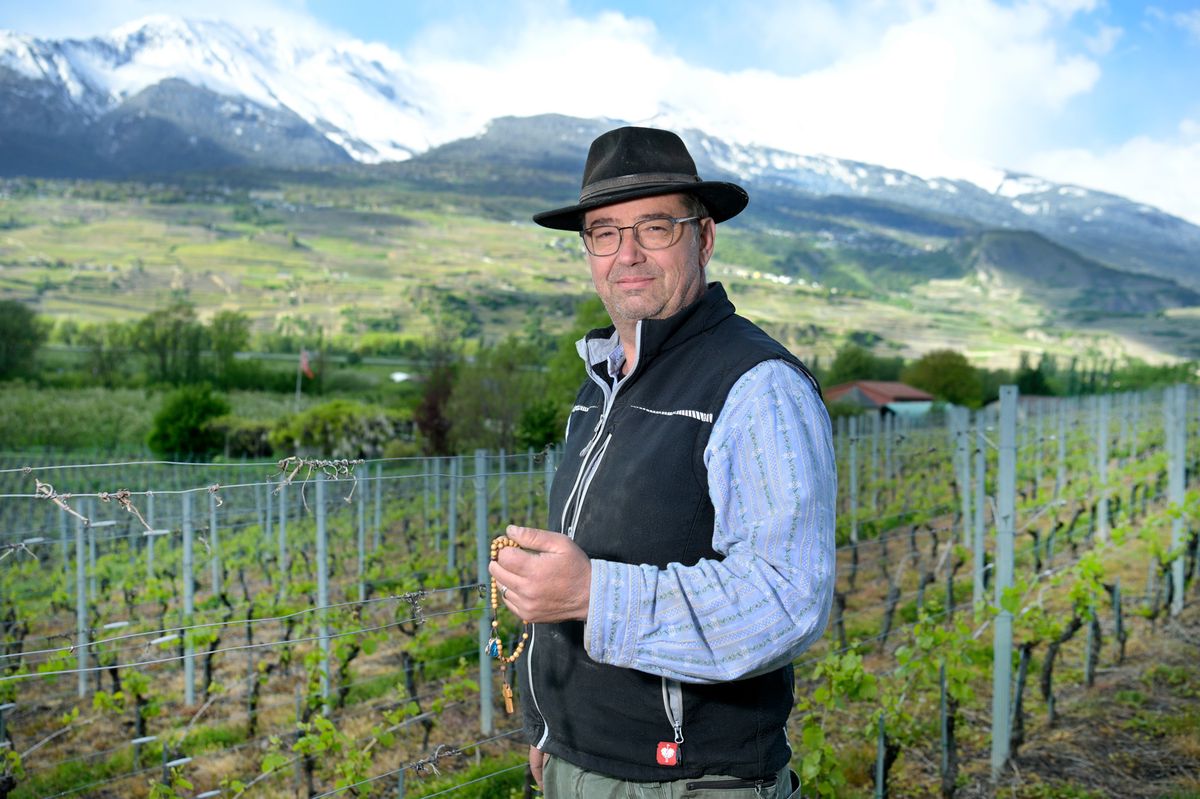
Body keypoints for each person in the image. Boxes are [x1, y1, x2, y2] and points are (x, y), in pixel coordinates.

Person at [488, 126, 836, 798]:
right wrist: (552, 730)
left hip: (690, 782)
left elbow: (786, 599)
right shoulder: (600, 386)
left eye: (655, 227)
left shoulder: (756, 386)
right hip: (578, 764)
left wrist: (591, 593)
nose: (628, 253)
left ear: (703, 238)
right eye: (604, 232)